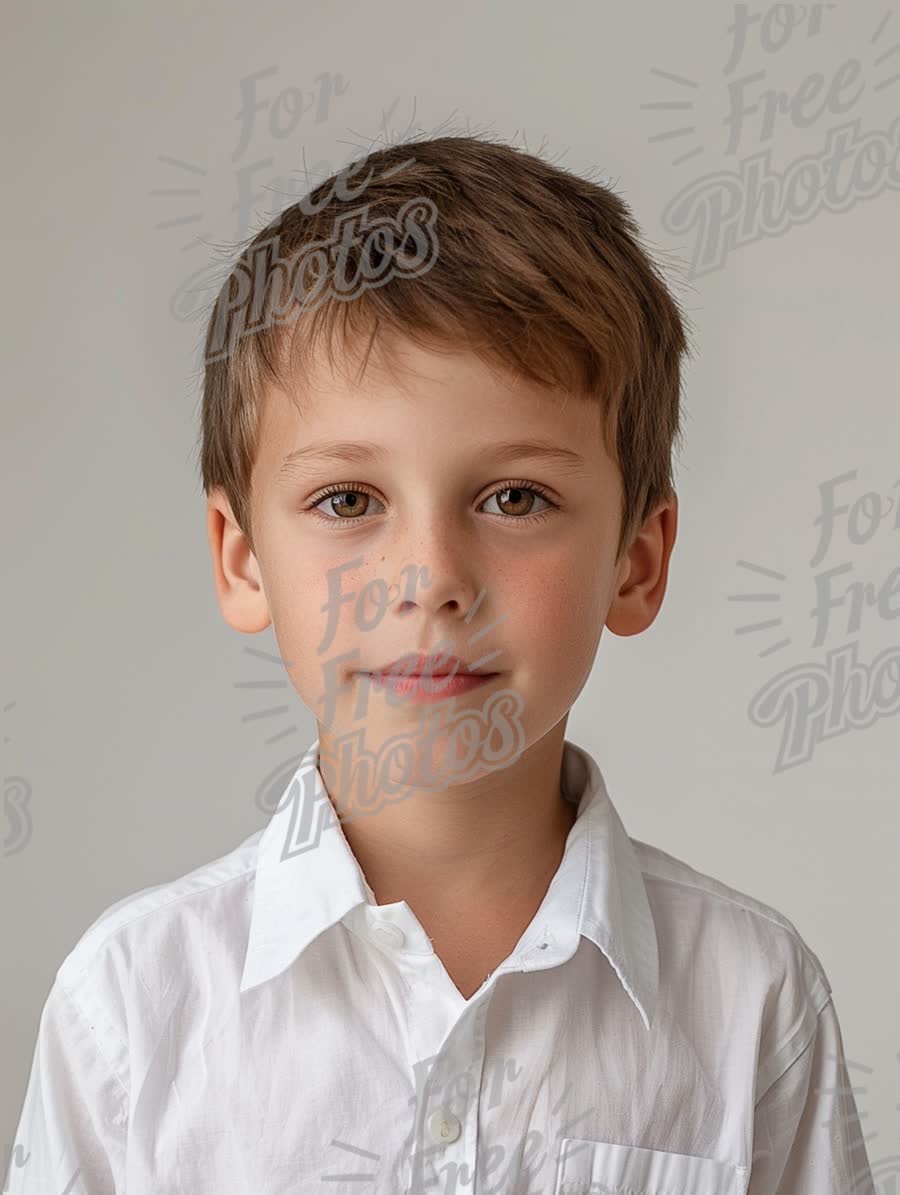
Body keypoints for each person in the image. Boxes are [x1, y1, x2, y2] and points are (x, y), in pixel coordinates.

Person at [7, 134, 875, 1194]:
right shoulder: (135, 1001)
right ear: (242, 560)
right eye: (349, 501)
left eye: (514, 497)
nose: (427, 579)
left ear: (636, 562)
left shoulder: (753, 999)